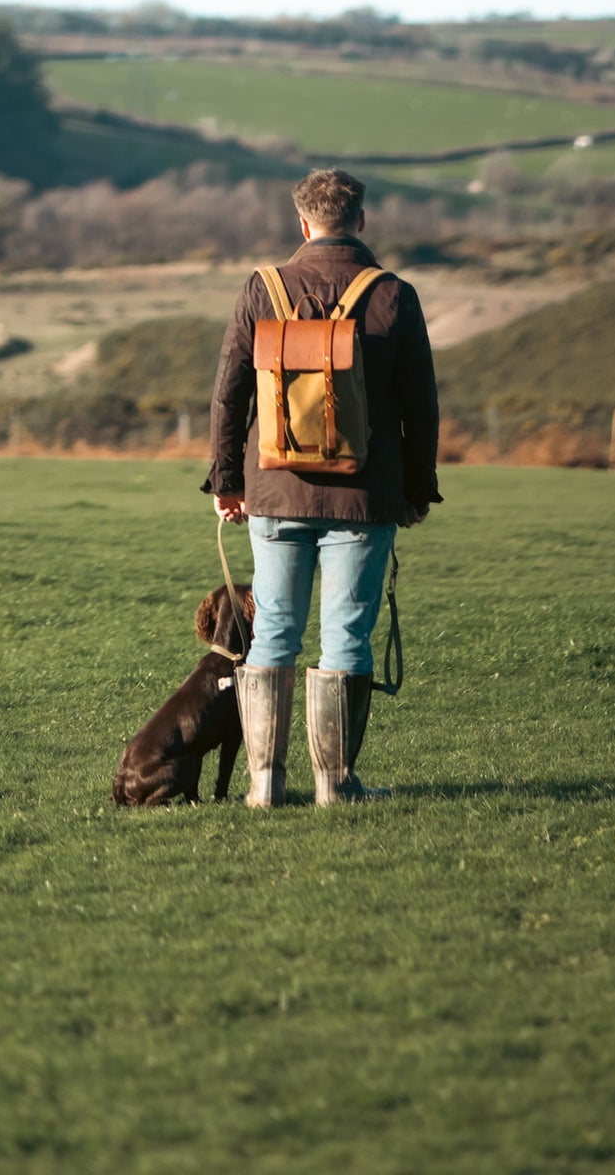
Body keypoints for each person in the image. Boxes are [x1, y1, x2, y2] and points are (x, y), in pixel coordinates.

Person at [206, 167, 441, 807]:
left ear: (302, 223)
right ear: (361, 221)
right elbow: (421, 407)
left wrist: (227, 481)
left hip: (274, 489)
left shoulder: (263, 289)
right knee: (346, 635)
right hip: (365, 497)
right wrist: (418, 490)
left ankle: (263, 785)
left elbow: (228, 396)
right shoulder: (394, 294)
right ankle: (336, 785)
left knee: (275, 629)